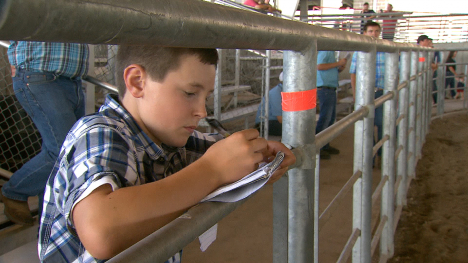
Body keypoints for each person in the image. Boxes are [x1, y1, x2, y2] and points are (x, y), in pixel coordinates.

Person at [38, 45, 295, 262]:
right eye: (190, 93)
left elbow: (231, 152)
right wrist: (213, 170)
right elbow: (100, 231)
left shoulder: (173, 139)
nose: (202, 111)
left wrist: (264, 156)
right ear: (138, 82)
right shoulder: (98, 132)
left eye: (205, 96)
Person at [0, 41, 89, 226]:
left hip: (72, 78)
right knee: (64, 151)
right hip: (38, 72)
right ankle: (14, 190)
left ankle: (47, 218)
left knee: (63, 150)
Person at [350, 21, 385, 166]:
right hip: (365, 94)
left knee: (384, 124)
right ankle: (370, 156)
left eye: (376, 31)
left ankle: (383, 152)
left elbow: (394, 73)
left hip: (382, 92)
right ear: (365, 33)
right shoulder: (359, 52)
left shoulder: (385, 50)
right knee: (367, 126)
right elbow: (353, 74)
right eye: (370, 31)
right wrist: (355, 94)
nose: (374, 34)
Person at [315, 51, 347, 160]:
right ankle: (318, 147)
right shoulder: (326, 51)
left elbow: (326, 68)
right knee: (325, 118)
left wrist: (339, 68)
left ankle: (325, 145)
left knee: (330, 118)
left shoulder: (330, 52)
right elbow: (319, 66)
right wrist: (338, 63)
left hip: (330, 88)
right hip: (325, 88)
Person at [255, 72, 283, 136]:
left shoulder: (285, 91)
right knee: (294, 130)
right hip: (265, 123)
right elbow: (280, 119)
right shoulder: (276, 93)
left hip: (275, 122)